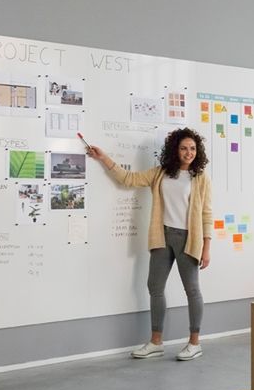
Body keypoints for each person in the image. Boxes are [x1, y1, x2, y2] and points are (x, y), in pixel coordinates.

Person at [86, 128, 212, 361]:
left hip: (188, 239)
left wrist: (206, 247)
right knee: (154, 287)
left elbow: (206, 213)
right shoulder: (161, 173)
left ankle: (195, 343)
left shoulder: (200, 177)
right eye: (184, 148)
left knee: (192, 290)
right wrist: (103, 158)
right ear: (175, 149)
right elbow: (128, 179)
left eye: (193, 148)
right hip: (162, 236)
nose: (189, 153)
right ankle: (156, 342)